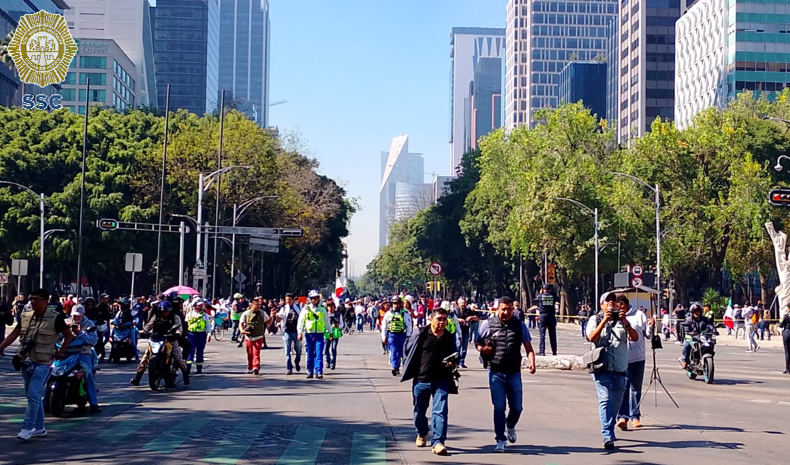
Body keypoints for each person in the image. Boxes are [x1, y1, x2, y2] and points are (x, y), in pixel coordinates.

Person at [0, 289, 75, 440]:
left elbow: (69, 336)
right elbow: (15, 333)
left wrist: (61, 352)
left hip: (44, 361)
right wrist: (1, 347)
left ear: (45, 301)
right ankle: (40, 427)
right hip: (25, 360)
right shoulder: (26, 315)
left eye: (36, 299)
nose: (33, 301)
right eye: (31, 298)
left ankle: (27, 428)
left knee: (33, 394)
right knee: (31, 395)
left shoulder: (56, 318)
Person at [475, 296, 536, 453]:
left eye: (509, 309)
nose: (507, 312)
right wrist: (482, 349)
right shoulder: (488, 324)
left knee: (517, 407)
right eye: (504, 309)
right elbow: (478, 342)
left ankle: (510, 424)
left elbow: (529, 348)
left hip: (514, 372)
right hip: (495, 371)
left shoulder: (519, 325)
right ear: (497, 309)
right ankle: (500, 439)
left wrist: (532, 362)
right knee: (499, 406)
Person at [401, 305, 458, 456]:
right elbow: (407, 350)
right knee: (419, 411)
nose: (442, 322)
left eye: (445, 320)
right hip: (421, 380)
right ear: (431, 319)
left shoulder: (448, 337)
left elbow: (455, 354)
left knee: (440, 411)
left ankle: (438, 442)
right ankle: (421, 432)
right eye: (439, 319)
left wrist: (453, 363)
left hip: (441, 380)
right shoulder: (420, 334)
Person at [586, 292, 639, 450]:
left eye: (614, 301)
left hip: (621, 368)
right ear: (602, 304)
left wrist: (625, 322)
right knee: (605, 399)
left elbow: (635, 338)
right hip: (602, 368)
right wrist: (604, 321)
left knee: (616, 402)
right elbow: (591, 337)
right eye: (608, 301)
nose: (612, 303)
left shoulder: (623, 321)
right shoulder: (595, 319)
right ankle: (607, 434)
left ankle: (610, 426)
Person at [130, 301, 189, 386]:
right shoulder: (156, 317)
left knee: (178, 357)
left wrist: (177, 334)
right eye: (162, 312)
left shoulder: (175, 317)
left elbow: (179, 327)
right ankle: (137, 377)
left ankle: (185, 375)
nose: (164, 313)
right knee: (145, 356)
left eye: (166, 311)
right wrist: (144, 331)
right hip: (157, 339)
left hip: (170, 339)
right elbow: (149, 325)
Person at [616, 296, 652, 431]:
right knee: (623, 389)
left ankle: (635, 416)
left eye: (620, 305)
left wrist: (651, 326)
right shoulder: (613, 317)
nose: (618, 308)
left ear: (625, 305)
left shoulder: (639, 315)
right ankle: (622, 417)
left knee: (635, 389)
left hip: (638, 357)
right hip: (621, 358)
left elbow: (647, 334)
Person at [68, 305, 101, 413]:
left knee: (88, 372)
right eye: (74, 315)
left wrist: (80, 333)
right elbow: (56, 336)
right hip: (66, 352)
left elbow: (93, 340)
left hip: (83, 352)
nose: (76, 318)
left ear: (83, 315)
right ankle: (46, 401)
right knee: (51, 370)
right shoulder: (66, 322)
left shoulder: (89, 324)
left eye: (78, 316)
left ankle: (93, 403)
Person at [297, 290, 330, 379]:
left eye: (317, 298)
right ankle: (310, 371)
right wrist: (299, 332)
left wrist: (330, 332)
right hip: (309, 334)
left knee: (319, 353)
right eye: (313, 298)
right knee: (309, 353)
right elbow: (301, 321)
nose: (315, 300)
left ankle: (319, 371)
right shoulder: (306, 309)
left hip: (319, 334)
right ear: (310, 299)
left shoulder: (322, 309)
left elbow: (327, 321)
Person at [381, 296, 414, 376]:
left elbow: (408, 325)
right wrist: (383, 336)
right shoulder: (388, 314)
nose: (395, 305)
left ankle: (404, 367)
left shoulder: (405, 313)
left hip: (402, 335)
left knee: (402, 352)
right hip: (392, 335)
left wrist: (408, 335)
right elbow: (384, 326)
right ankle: (394, 367)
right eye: (394, 303)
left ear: (400, 304)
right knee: (394, 351)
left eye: (397, 303)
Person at [680, 303, 717, 368]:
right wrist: (690, 332)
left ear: (700, 311)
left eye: (698, 311)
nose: (696, 312)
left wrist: (714, 330)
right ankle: (685, 361)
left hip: (703, 336)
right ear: (692, 312)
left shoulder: (705, 319)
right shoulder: (688, 320)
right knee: (687, 345)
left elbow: (709, 325)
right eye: (695, 311)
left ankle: (709, 356)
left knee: (711, 343)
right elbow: (686, 328)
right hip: (692, 337)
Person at [240, 297, 269, 375]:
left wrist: (272, 316)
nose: (257, 307)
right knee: (249, 353)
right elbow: (241, 323)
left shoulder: (262, 313)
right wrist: (242, 330)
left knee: (256, 352)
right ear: (251, 305)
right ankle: (250, 367)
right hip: (248, 337)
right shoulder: (246, 313)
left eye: (258, 305)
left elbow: (268, 322)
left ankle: (255, 367)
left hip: (258, 336)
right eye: (256, 305)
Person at [275, 293, 302, 375]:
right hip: (287, 331)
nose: (287, 301)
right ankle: (289, 368)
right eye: (286, 300)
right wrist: (276, 317)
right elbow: (279, 319)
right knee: (287, 351)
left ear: (293, 300)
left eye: (289, 300)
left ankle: (297, 361)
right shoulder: (283, 308)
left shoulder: (299, 308)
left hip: (296, 331)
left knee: (298, 350)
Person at [186, 299, 211, 374]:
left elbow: (208, 325)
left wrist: (209, 334)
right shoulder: (189, 314)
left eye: (202, 305)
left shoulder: (205, 315)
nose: (201, 306)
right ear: (194, 305)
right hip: (191, 334)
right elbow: (185, 324)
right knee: (190, 351)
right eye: (199, 305)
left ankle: (199, 368)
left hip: (201, 334)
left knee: (200, 351)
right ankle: (188, 368)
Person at [534, 284, 558, 356]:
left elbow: (536, 300)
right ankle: (554, 351)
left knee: (542, 334)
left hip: (543, 316)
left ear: (543, 289)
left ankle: (542, 351)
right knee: (553, 334)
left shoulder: (540, 296)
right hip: (551, 316)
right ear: (550, 289)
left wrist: (541, 293)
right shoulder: (553, 296)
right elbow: (556, 300)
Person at [455, 298, 478, 369]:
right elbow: (451, 318)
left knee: (464, 348)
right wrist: (459, 320)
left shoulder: (468, 311)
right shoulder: (455, 310)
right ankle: (456, 362)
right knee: (458, 346)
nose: (463, 304)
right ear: (458, 303)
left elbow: (477, 318)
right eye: (462, 303)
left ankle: (462, 362)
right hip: (457, 331)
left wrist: (471, 317)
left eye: (464, 303)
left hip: (465, 331)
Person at [324, 301, 344, 370]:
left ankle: (333, 363)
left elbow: (342, 324)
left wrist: (338, 326)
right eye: (329, 306)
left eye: (332, 306)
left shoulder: (338, 314)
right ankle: (328, 361)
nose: (330, 308)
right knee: (326, 349)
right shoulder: (325, 314)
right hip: (327, 334)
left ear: (334, 307)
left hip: (335, 333)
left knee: (334, 348)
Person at [780, 306, 790, 375]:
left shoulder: (786, 315)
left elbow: (781, 325)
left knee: (787, 352)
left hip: (787, 332)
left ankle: (788, 368)